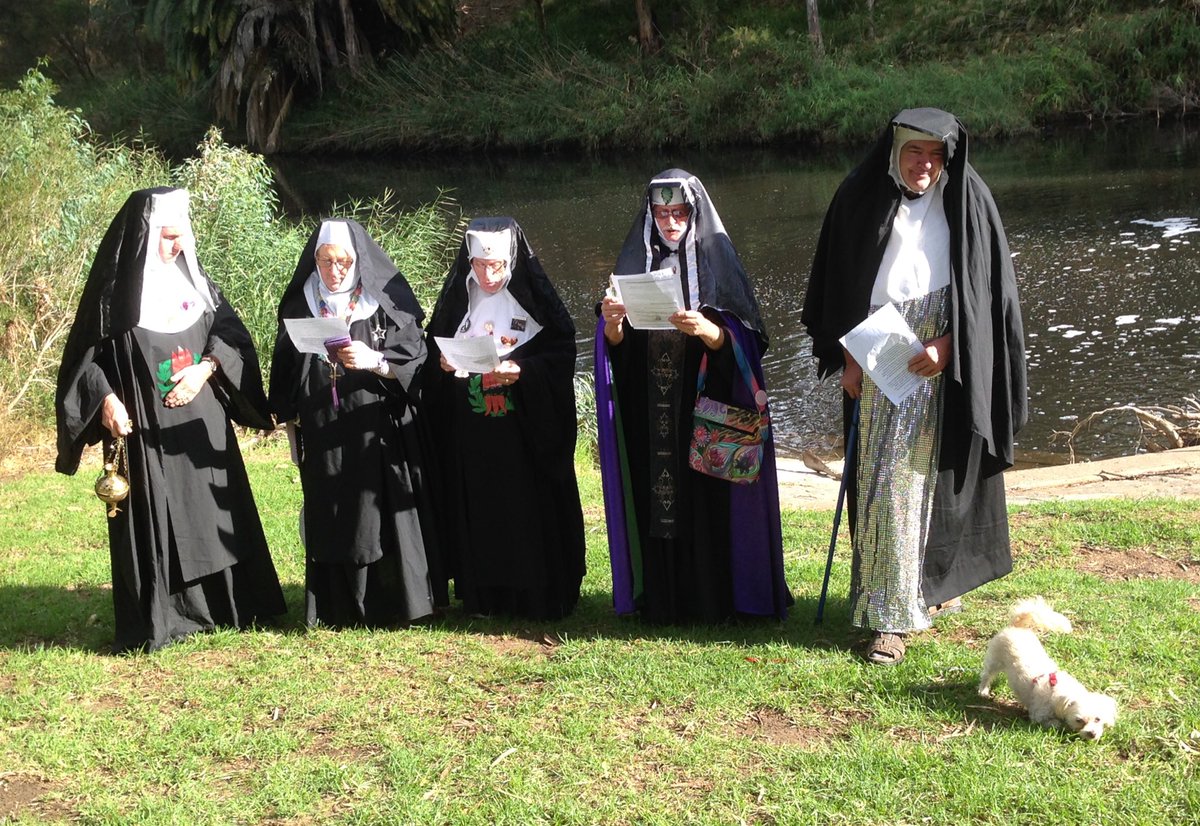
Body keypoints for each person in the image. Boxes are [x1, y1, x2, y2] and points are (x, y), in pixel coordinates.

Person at [801, 108, 1028, 664]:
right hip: (879, 347)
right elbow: (838, 283)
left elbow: (990, 298)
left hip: (947, 356)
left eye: (935, 154)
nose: (924, 165)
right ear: (893, 151)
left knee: (936, 476)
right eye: (913, 153)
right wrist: (849, 358)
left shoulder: (970, 202)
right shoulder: (858, 196)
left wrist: (950, 347)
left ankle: (922, 587)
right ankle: (889, 618)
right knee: (888, 485)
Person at [55, 187, 286, 653]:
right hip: (142, 428)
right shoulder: (115, 295)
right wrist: (105, 401)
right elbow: (85, 361)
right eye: (167, 237)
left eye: (182, 236)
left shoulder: (197, 285)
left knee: (210, 514)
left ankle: (226, 607)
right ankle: (165, 617)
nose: (177, 247)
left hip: (200, 428)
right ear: (145, 235)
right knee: (154, 515)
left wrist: (205, 369)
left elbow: (231, 338)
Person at [596, 169, 790, 624]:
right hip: (652, 409)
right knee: (657, 498)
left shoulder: (719, 263)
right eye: (661, 213)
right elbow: (616, 356)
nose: (670, 222)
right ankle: (663, 599)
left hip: (706, 406)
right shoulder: (633, 264)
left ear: (693, 213)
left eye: (678, 212)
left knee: (706, 501)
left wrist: (712, 332)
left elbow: (748, 344)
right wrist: (611, 325)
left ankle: (714, 599)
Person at [270, 219, 445, 628]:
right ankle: (336, 605)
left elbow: (416, 360)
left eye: (344, 262)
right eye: (326, 261)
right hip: (323, 424)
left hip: (375, 426)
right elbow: (284, 367)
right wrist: (289, 416)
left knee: (376, 509)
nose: (335, 271)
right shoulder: (302, 303)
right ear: (315, 260)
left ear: (358, 261)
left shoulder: (384, 302)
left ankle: (390, 602)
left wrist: (379, 362)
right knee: (331, 506)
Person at [424, 217, 586, 620]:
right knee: (480, 509)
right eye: (479, 265)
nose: (488, 274)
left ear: (511, 260)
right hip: (473, 435)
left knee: (525, 511)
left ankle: (535, 594)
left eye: (496, 265)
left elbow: (562, 353)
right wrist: (442, 365)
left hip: (523, 434)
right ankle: (484, 595)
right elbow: (431, 353)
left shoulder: (534, 300)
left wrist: (523, 372)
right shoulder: (460, 301)